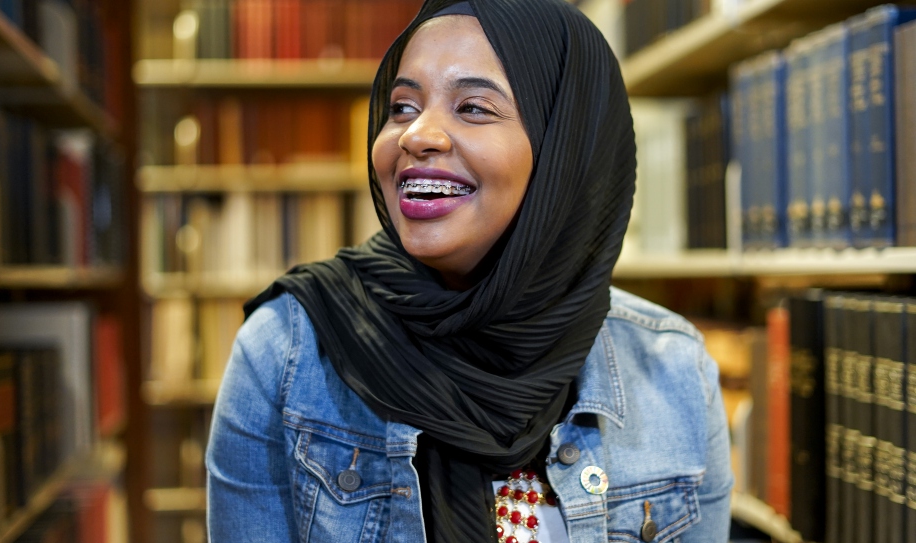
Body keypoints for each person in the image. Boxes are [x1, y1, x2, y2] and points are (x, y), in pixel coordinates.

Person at [205, 0, 733, 541]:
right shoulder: (284, 354)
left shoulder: (674, 370)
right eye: (403, 107)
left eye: (474, 108)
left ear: (565, 151)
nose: (416, 135)